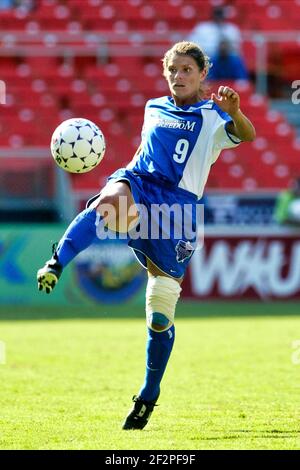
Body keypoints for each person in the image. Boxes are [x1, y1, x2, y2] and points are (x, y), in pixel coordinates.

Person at [37, 41, 256, 430]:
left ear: (202, 73)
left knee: (160, 313)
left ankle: (148, 394)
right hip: (139, 183)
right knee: (109, 201)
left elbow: (248, 136)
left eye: (187, 69)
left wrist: (235, 113)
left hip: (177, 210)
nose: (178, 76)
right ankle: (57, 262)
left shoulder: (212, 116)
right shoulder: (153, 106)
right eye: (172, 70)